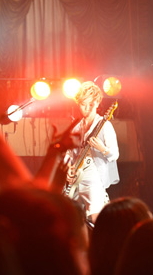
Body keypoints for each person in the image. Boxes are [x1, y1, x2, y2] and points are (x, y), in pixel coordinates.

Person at [65, 81, 119, 222]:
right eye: (84, 104)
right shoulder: (76, 128)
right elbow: (69, 154)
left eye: (91, 104)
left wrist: (102, 148)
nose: (87, 108)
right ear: (78, 104)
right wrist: (68, 168)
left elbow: (115, 154)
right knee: (71, 218)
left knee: (95, 218)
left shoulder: (105, 125)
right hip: (76, 179)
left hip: (93, 178)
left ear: (97, 103)